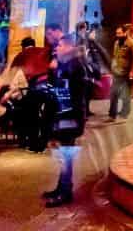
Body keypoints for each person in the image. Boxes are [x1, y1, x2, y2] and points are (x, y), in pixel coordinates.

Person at [43, 35, 88, 207]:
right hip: (64, 115)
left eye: (60, 45)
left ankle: (65, 192)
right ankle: (61, 188)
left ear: (70, 47)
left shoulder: (76, 67)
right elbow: (54, 87)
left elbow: (73, 94)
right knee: (63, 155)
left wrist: (74, 119)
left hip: (70, 117)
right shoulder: (65, 65)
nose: (57, 48)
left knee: (66, 155)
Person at [108, 26, 133, 122]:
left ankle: (124, 114)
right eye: (116, 33)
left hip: (127, 73)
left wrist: (132, 72)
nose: (117, 35)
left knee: (126, 95)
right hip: (117, 72)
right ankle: (112, 114)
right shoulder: (116, 43)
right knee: (113, 93)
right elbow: (115, 56)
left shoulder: (131, 43)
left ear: (125, 33)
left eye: (119, 33)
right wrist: (113, 68)